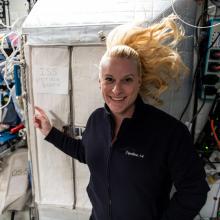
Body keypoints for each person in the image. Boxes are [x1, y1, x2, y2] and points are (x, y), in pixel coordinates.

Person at [34, 15, 209, 220]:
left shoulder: (169, 133)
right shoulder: (96, 120)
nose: (117, 89)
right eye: (109, 79)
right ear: (100, 82)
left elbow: (194, 191)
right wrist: (49, 132)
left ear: (138, 82)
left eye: (127, 80)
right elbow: (87, 152)